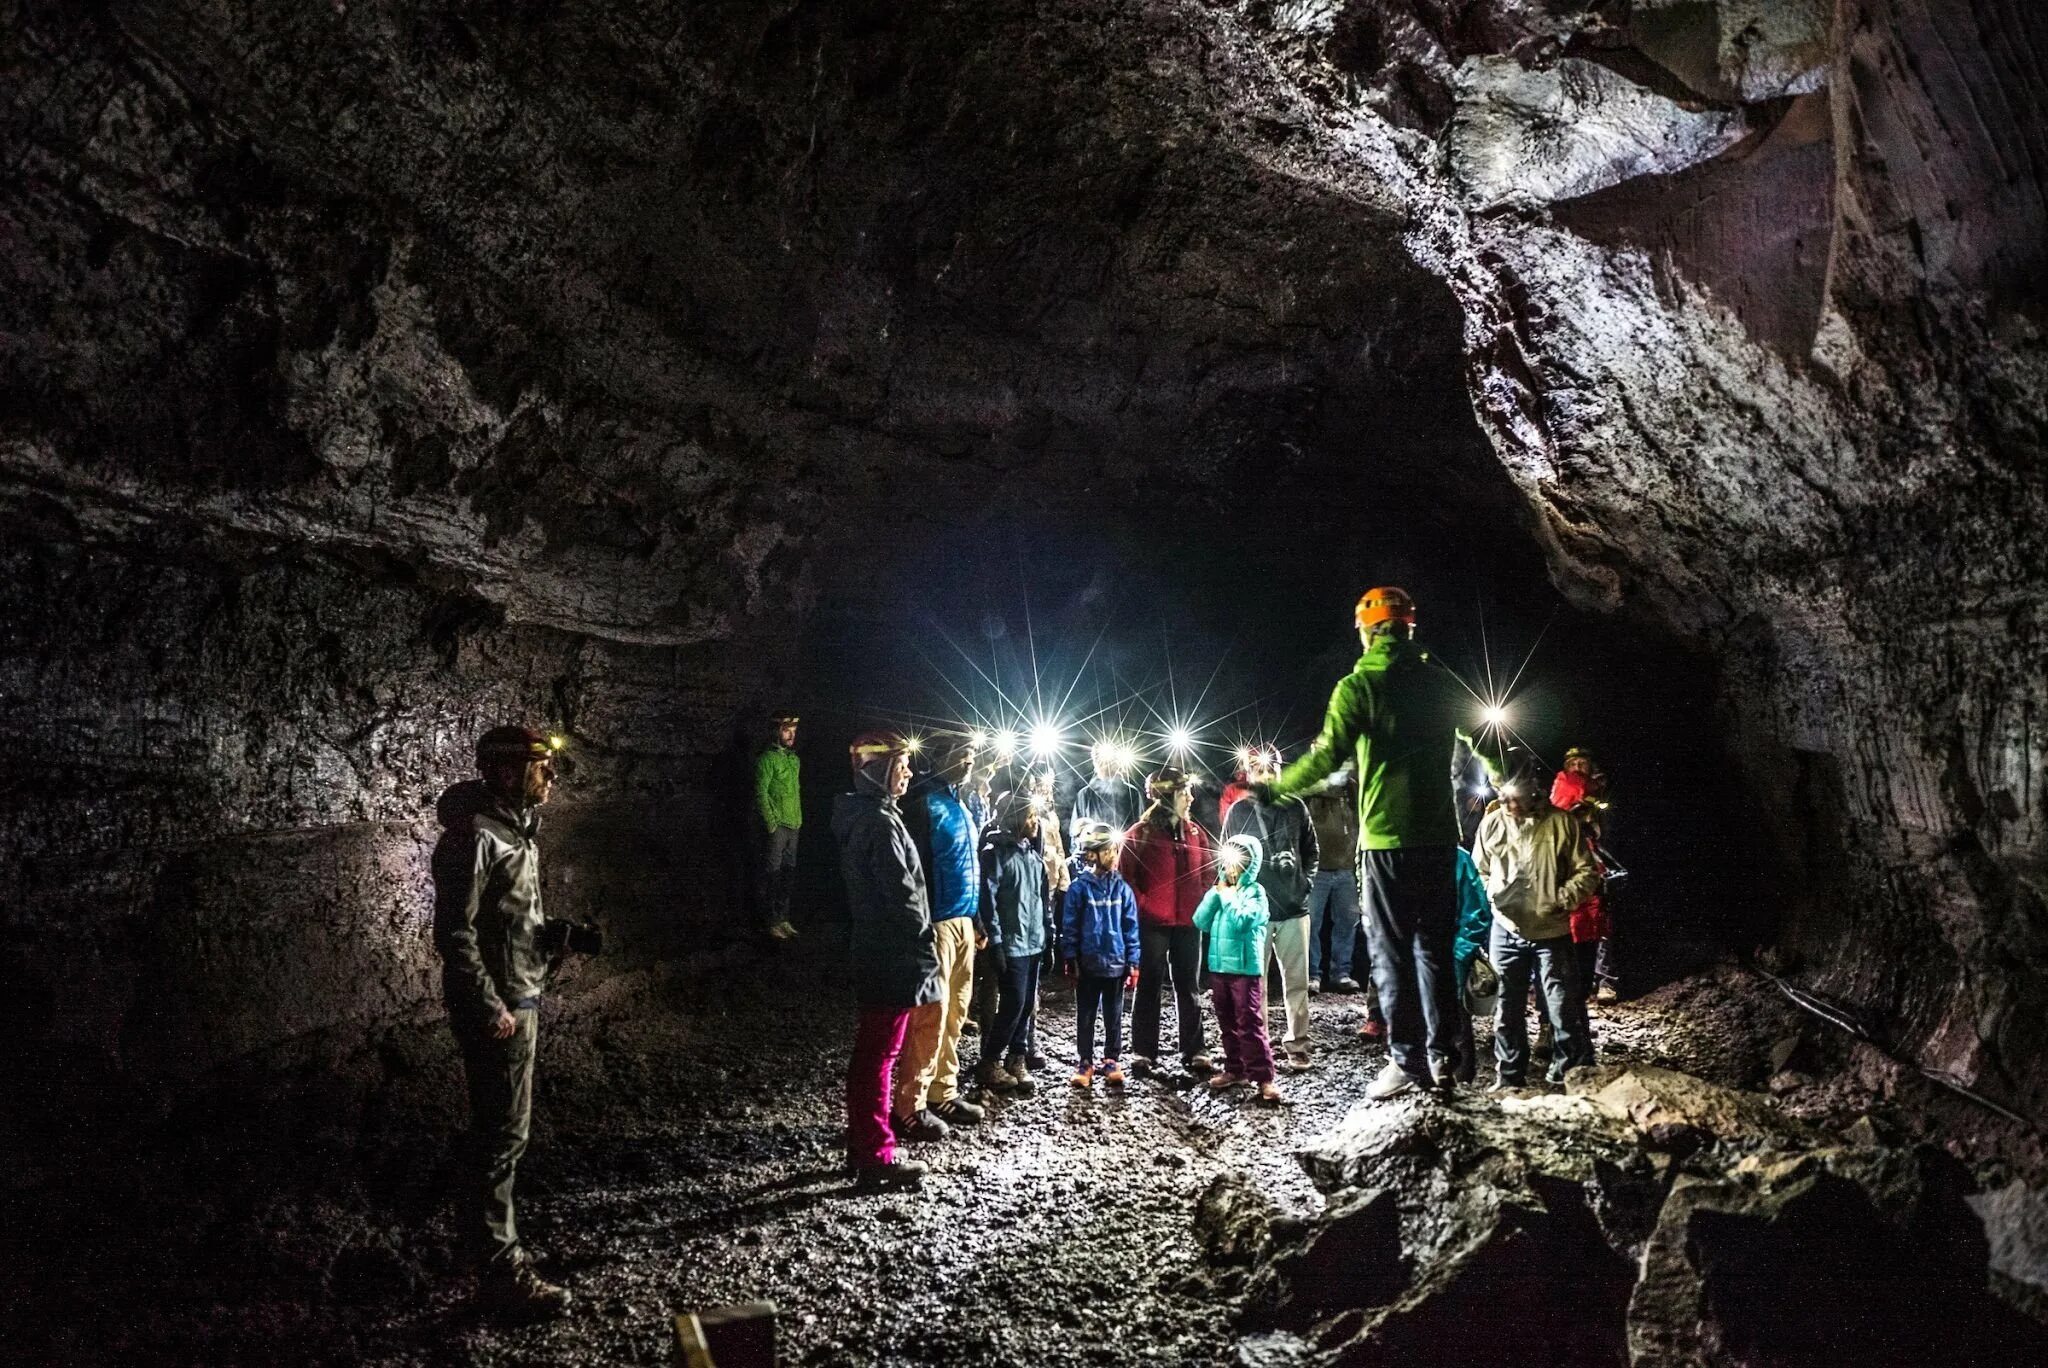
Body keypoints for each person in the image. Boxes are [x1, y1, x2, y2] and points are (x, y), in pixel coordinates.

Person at [1259, 586, 1505, 1100]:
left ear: (1367, 630)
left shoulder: (1360, 686)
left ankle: (1406, 1060)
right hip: (1439, 839)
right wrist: (1513, 784)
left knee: (1391, 954)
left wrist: (1277, 788)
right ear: (1409, 628)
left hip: (1387, 842)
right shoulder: (1441, 682)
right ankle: (1444, 1059)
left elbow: (1327, 758)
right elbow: (1488, 742)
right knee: (1436, 951)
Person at [431, 725, 573, 1316]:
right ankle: (498, 1273)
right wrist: (490, 1006)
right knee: (501, 1136)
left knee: (504, 1132)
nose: (551, 777)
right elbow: (456, 934)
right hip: (503, 1009)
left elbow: (506, 922)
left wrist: (555, 939)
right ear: (509, 772)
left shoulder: (518, 832)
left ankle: (487, 1246)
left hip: (522, 995)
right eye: (542, 766)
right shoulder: (476, 837)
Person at [833, 731, 942, 1189]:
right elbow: (903, 898)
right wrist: (924, 947)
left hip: (878, 949)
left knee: (876, 1051)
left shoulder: (870, 818)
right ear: (880, 771)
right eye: (901, 765)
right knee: (880, 1053)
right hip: (891, 954)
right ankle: (876, 1154)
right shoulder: (879, 824)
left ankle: (863, 1143)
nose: (909, 772)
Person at [1472, 767, 1603, 1088]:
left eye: (1515, 799)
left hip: (1551, 932)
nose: (1509, 804)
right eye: (1504, 797)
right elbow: (1480, 869)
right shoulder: (1492, 823)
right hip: (1506, 929)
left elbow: (1586, 873)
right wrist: (1493, 893)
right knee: (1507, 1009)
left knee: (1562, 1008)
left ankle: (1569, 1075)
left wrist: (1560, 899)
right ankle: (1510, 1078)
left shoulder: (1561, 824)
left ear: (1534, 794)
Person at [899, 736, 987, 1131]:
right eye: (961, 756)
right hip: (936, 923)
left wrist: (978, 918)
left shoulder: (959, 804)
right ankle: (911, 1104)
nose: (969, 761)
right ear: (937, 759)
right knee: (930, 1014)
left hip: (963, 921)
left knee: (956, 1012)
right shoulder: (923, 806)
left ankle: (943, 1091)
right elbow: (913, 874)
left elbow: (969, 867)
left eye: (971, 755)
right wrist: (919, 924)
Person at [1222, 746, 1318, 1072]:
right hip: (1255, 913)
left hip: (1293, 909)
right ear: (1248, 773)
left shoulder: (1296, 806)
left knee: (1297, 984)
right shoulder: (1238, 812)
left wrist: (1304, 885)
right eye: (1258, 769)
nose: (1266, 774)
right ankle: (1257, 1049)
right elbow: (1225, 859)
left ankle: (1298, 1045)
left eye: (1271, 768)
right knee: (1254, 984)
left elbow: (1311, 850)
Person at [1118, 767, 1216, 1076]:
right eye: (1184, 791)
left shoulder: (1196, 832)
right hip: (1153, 924)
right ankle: (1143, 1051)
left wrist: (1200, 900)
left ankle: (1194, 1048)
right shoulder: (1141, 833)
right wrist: (1145, 905)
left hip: (1188, 922)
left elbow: (1207, 872)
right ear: (1166, 796)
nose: (1190, 797)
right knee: (1148, 985)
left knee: (1188, 985)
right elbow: (1126, 878)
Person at [1193, 834, 1284, 1105]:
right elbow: (1200, 920)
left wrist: (1228, 896)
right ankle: (1235, 1069)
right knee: (1227, 1022)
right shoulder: (1221, 890)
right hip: (1219, 967)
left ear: (1249, 863)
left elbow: (1243, 921)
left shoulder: (1256, 893)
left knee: (1250, 1023)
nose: (1231, 867)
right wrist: (1216, 893)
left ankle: (1264, 1078)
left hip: (1245, 968)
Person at [976, 790, 1052, 1095]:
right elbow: (987, 901)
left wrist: (1049, 938)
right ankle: (990, 1060)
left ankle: (1016, 1058)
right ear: (1015, 817)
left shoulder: (1033, 858)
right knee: (1013, 1003)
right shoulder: (994, 854)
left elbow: (1041, 903)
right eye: (1029, 816)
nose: (1034, 822)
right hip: (1011, 943)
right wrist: (995, 941)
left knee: (1025, 1006)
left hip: (1033, 943)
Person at [1061, 823, 1142, 1088]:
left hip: (1116, 964)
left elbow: (1130, 927)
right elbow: (1070, 927)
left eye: (1116, 851)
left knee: (1113, 1014)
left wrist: (1133, 962)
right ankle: (1085, 1061)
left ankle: (1111, 1059)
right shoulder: (1078, 889)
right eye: (1108, 851)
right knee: (1085, 1014)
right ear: (1092, 854)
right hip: (1088, 964)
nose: (1114, 856)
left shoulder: (1123, 889)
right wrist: (1071, 958)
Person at [1551, 748, 1619, 1003]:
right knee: (1575, 921)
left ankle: (1606, 980)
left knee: (1602, 922)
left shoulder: (1602, 788)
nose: (1578, 767)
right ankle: (1577, 979)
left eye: (1583, 763)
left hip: (1598, 862)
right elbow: (1562, 813)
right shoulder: (1563, 784)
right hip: (1570, 864)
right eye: (1573, 763)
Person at [1304, 769, 1363, 997]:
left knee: (1348, 922)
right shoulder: (1311, 788)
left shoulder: (1351, 789)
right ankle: (1312, 975)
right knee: (1311, 922)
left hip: (1347, 867)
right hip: (1318, 869)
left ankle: (1341, 973)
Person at [754, 711, 804, 941]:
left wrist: (798, 820)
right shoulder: (767, 759)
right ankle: (770, 921)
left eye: (793, 731)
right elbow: (761, 793)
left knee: (788, 874)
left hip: (794, 824)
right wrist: (772, 823)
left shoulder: (793, 759)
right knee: (773, 874)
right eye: (786, 730)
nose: (791, 734)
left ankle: (783, 918)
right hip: (779, 827)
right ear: (776, 732)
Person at [1071, 740, 1143, 842]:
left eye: (1110, 761)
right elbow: (1076, 832)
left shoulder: (1132, 793)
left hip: (1123, 852)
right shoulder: (1085, 795)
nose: (1106, 765)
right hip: (1093, 852)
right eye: (1099, 760)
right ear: (1094, 762)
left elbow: (1137, 830)